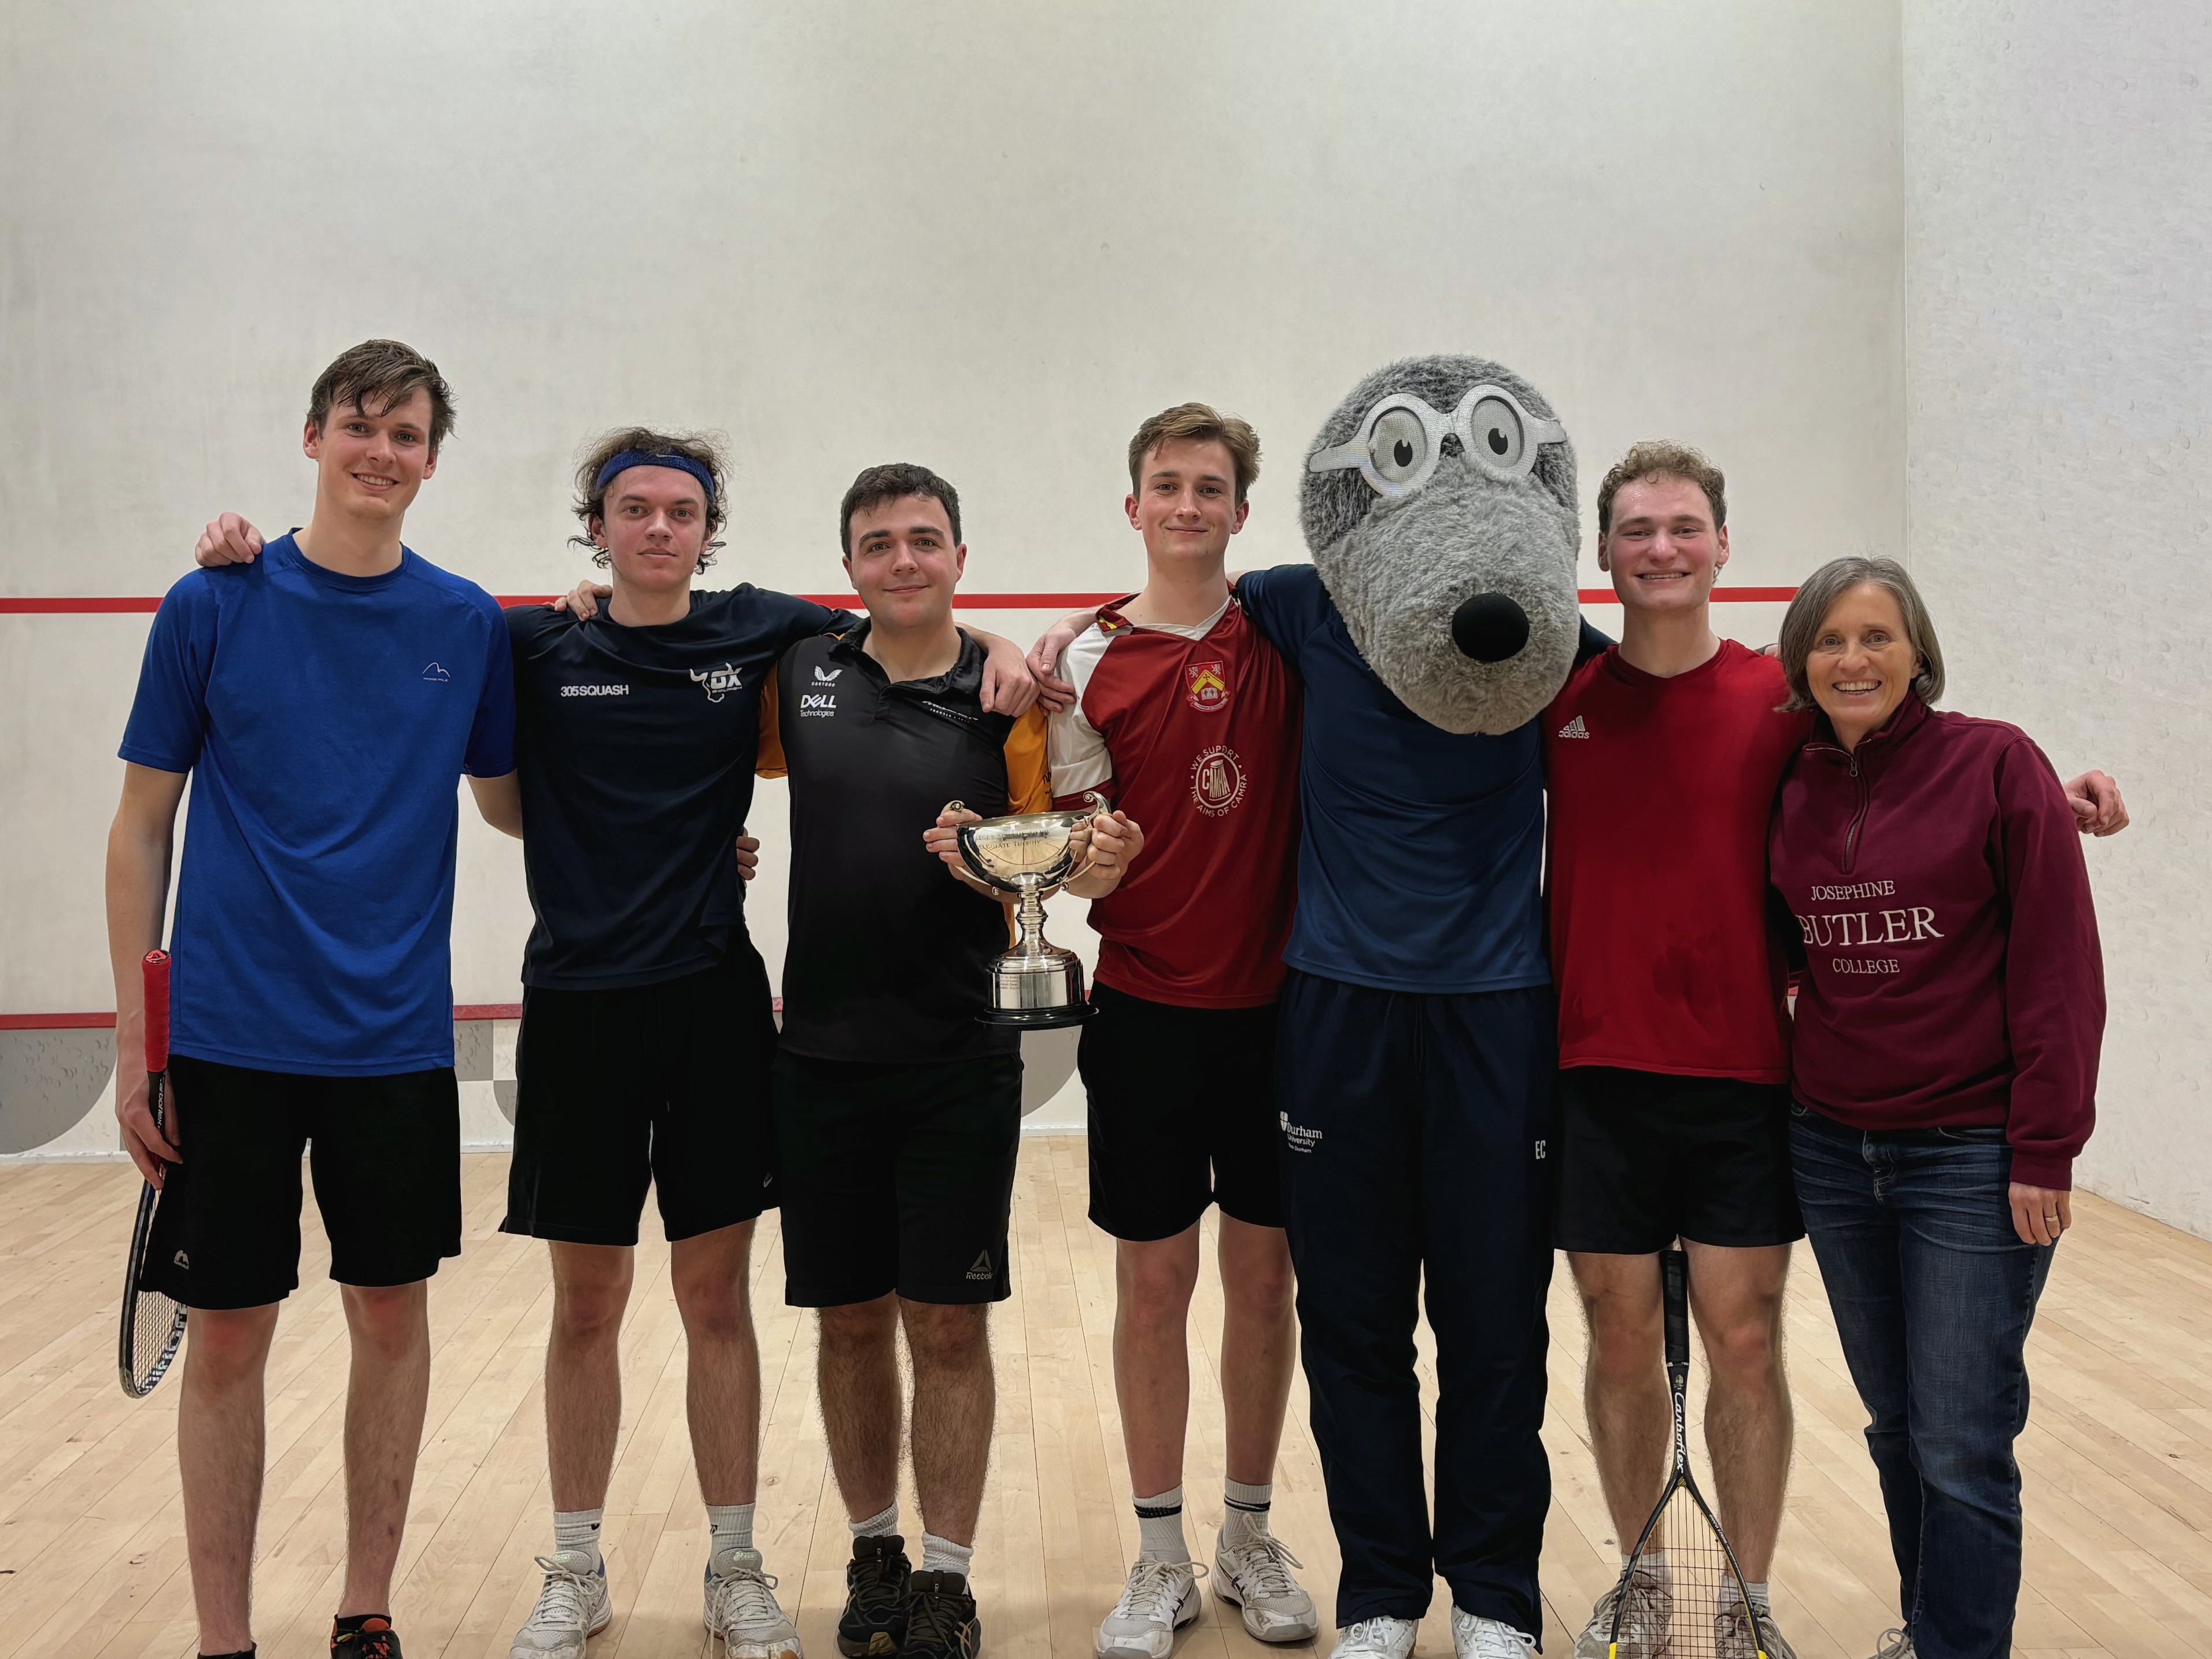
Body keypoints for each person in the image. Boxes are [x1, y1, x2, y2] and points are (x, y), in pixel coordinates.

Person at [191, 439, 1040, 1659]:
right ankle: (577, 1563)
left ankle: (735, 1563)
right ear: (596, 526)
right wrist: (237, 555)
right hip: (579, 1009)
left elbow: (911, 616)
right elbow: (484, 775)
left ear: (710, 529)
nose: (657, 528)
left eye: (681, 511)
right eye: (633, 510)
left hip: (713, 1010)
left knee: (714, 1301)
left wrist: (1010, 646)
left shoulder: (762, 636)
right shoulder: (535, 640)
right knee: (585, 1305)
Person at [1546, 449, 2129, 1659]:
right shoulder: (1559, 699)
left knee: (1758, 1345)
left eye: (1685, 526)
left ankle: (1750, 1597)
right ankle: (1650, 1578)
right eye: (1637, 529)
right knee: (1628, 1340)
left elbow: (1934, 766)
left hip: (1765, 1089)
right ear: (1601, 553)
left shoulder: (1777, 703)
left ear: (1720, 545)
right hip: (1606, 1072)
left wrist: (2046, 794)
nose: (1661, 547)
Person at [109, 339, 515, 1659]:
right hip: (227, 1037)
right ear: (311, 436)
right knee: (229, 1334)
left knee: (390, 1314)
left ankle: (366, 1608)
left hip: (393, 1041)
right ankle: (225, 1638)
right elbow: (141, 829)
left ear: (432, 461)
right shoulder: (211, 601)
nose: (380, 452)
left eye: (406, 435)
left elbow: (511, 803)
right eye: (360, 425)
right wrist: (138, 1045)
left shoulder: (464, 621)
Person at [774, 463, 1139, 1659]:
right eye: (878, 542)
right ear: (850, 567)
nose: (902, 559)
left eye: (924, 539)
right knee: (844, 1323)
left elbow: (1070, 859)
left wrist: (1042, 861)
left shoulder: (1011, 701)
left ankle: (944, 1575)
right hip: (817, 1053)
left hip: (957, 1053)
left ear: (958, 557)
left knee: (944, 1323)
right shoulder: (801, 674)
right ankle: (873, 1550)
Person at [1768, 557, 2104, 1659]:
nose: (1852, 659)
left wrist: (2044, 1147)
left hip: (1970, 1152)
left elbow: (2057, 969)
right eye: (1829, 640)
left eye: (1876, 637)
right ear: (1801, 660)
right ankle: (1932, 1631)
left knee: (1961, 1440)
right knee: (1897, 1426)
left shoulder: (1996, 762)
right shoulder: (1792, 784)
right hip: (1829, 1145)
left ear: (1918, 652)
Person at [1031, 405, 1316, 1658]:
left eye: (1209, 486)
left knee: (1265, 1282)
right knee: (1156, 1282)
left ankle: (1247, 1536)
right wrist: (1097, 862)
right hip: (1145, 1012)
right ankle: (1157, 1557)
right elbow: (1076, 874)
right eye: (1166, 485)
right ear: (1131, 505)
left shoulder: (1292, 635)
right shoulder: (1082, 661)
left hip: (1285, 1014)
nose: (1187, 505)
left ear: (1240, 510)